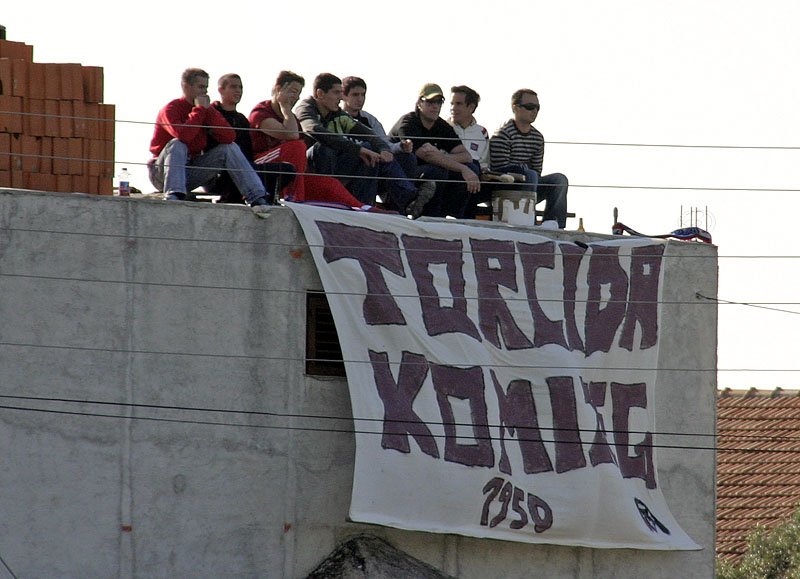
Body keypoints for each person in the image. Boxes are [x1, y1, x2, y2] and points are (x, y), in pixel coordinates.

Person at [249, 71, 394, 213]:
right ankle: (294, 199)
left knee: (329, 183)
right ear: (278, 90)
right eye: (292, 92)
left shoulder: (300, 117)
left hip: (292, 175)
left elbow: (367, 133)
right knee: (300, 146)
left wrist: (383, 149)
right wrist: (285, 108)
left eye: (298, 93)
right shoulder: (262, 112)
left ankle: (363, 208)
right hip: (260, 168)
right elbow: (293, 136)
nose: (296, 97)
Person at [147, 68, 269, 206]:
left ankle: (257, 197)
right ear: (186, 86)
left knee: (229, 148)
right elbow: (184, 136)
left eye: (206, 88)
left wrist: (208, 114)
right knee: (177, 144)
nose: (204, 92)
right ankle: (174, 195)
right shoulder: (171, 108)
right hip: (162, 172)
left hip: (189, 171)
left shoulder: (206, 109)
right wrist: (199, 111)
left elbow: (229, 137)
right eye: (200, 87)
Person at [295, 73, 403, 206]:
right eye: (336, 93)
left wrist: (384, 149)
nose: (340, 98)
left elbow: (369, 134)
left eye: (341, 93)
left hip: (336, 165)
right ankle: (326, 199)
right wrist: (358, 150)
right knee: (323, 147)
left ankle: (363, 205)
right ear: (320, 94)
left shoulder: (337, 113)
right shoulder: (305, 109)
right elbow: (314, 130)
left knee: (370, 151)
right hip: (310, 168)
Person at [341, 75, 434, 216]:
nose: (360, 99)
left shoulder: (369, 119)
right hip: (352, 168)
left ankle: (404, 206)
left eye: (362, 95)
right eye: (355, 95)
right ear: (344, 96)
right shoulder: (337, 118)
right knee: (370, 150)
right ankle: (410, 198)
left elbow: (384, 144)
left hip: (375, 166)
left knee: (407, 158)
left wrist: (401, 147)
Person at [388, 83, 481, 219]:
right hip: (400, 177)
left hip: (427, 174)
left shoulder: (441, 126)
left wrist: (441, 156)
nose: (435, 106)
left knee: (472, 167)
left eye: (439, 102)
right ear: (420, 102)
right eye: (430, 101)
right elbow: (426, 156)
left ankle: (457, 218)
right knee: (439, 171)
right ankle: (430, 217)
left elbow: (466, 156)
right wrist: (461, 168)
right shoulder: (408, 123)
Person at [208, 73, 293, 204]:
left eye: (240, 87)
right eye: (233, 87)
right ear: (221, 90)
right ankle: (234, 199)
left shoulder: (241, 119)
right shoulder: (212, 113)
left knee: (287, 170)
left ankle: (265, 199)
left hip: (245, 167)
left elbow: (248, 152)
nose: (238, 91)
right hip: (219, 171)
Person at [489, 89, 569, 228]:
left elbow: (537, 170)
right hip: (504, 187)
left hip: (530, 183)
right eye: (530, 107)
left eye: (537, 107)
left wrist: (528, 175)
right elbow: (499, 171)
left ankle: (554, 225)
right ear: (515, 108)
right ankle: (529, 223)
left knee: (559, 180)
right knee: (529, 175)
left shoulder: (537, 137)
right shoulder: (503, 134)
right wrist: (525, 174)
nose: (534, 111)